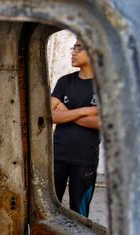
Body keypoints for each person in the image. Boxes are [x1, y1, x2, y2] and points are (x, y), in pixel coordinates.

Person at [50, 39, 101, 217]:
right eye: (74, 47)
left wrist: (66, 113)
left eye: (79, 48)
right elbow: (50, 115)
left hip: (85, 159)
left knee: (79, 214)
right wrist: (86, 110)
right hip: (58, 155)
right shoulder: (65, 81)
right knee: (49, 212)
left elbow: (101, 123)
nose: (73, 52)